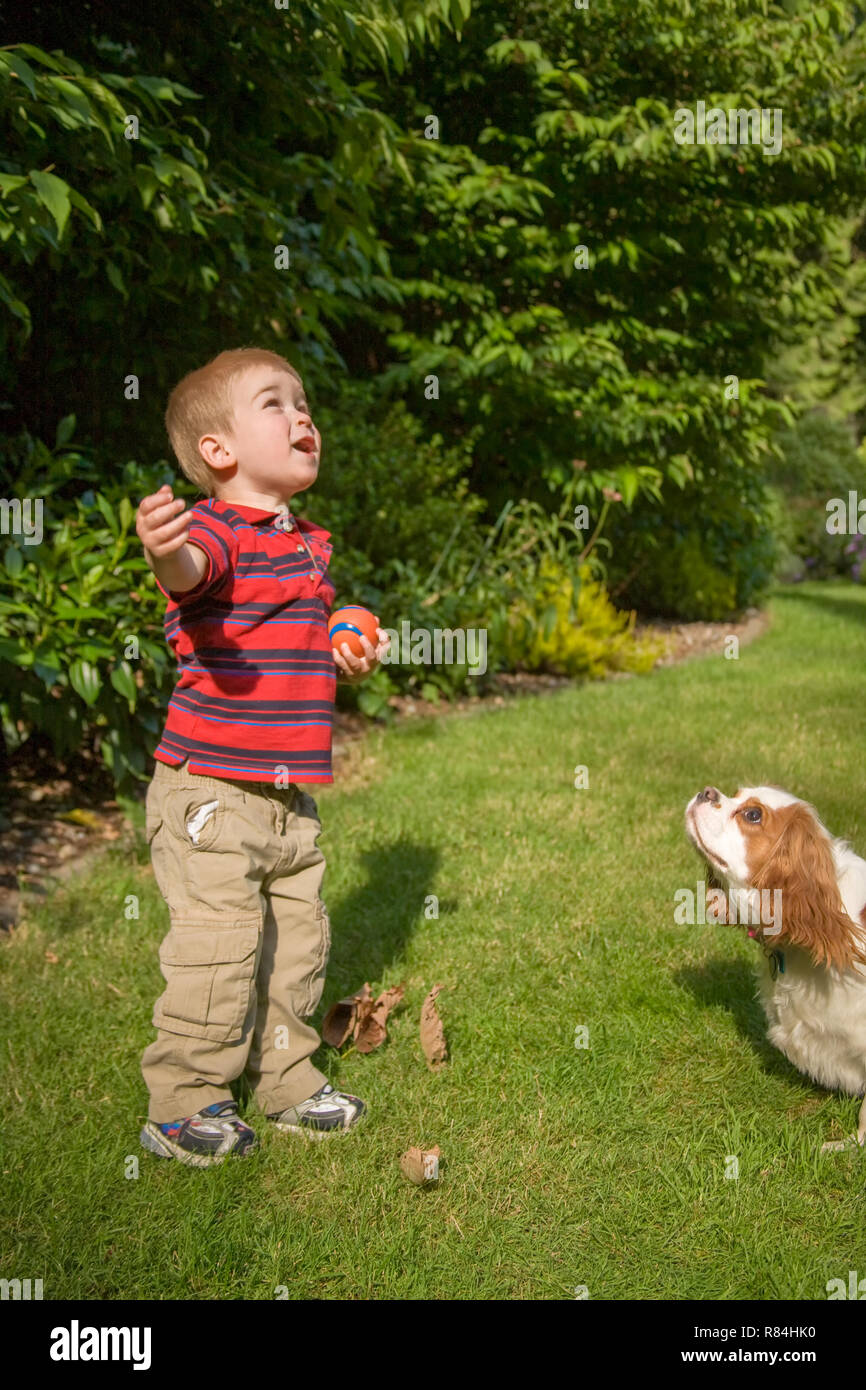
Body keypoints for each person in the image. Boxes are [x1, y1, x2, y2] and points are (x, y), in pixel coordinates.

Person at [133, 346, 389, 1167]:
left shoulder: (307, 545)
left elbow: (299, 625)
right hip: (211, 792)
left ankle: (284, 1075)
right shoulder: (213, 531)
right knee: (218, 944)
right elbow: (190, 575)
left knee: (296, 941)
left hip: (286, 799)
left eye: (305, 403)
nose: (303, 416)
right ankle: (185, 1099)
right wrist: (161, 548)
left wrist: (345, 629)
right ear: (220, 451)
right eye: (276, 404)